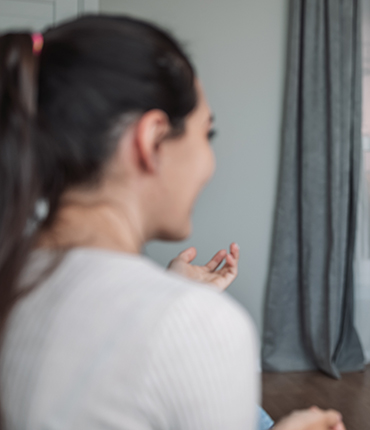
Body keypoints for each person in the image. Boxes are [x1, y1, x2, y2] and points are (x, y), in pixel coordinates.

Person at [0, 16, 343, 430]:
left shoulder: (14, 277)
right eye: (207, 134)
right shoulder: (196, 327)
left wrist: (169, 291)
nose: (210, 163)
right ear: (152, 141)